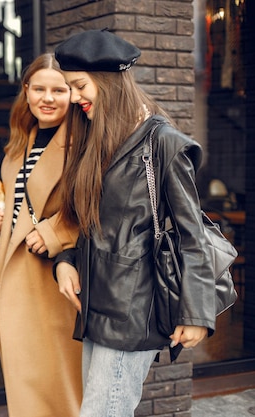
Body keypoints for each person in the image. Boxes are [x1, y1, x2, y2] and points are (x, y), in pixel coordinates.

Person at [53, 29, 217, 416]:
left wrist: (195, 315)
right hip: (96, 304)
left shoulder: (162, 143)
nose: (74, 98)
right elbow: (98, 228)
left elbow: (192, 236)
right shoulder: (99, 141)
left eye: (79, 86)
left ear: (108, 82)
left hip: (133, 310)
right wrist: (66, 260)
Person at [0, 53, 82, 416]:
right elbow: (18, 208)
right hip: (12, 278)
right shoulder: (21, 143)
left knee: (61, 389)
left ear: (73, 94)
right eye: (39, 88)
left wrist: (54, 233)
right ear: (26, 91)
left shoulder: (83, 144)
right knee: (28, 389)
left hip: (54, 281)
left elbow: (103, 205)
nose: (48, 98)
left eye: (59, 89)